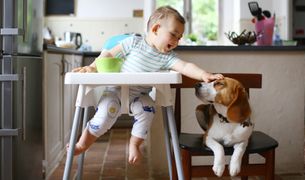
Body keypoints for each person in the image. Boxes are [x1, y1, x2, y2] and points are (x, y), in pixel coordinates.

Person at [70, 6, 224, 165]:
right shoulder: (133, 42)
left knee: (148, 109)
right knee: (103, 117)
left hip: (140, 96)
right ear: (156, 29)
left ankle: (135, 144)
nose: (177, 41)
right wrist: (93, 67)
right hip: (114, 92)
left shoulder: (167, 57)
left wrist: (204, 75)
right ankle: (82, 144)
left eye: (179, 37)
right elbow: (108, 55)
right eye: (173, 34)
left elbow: (185, 66)